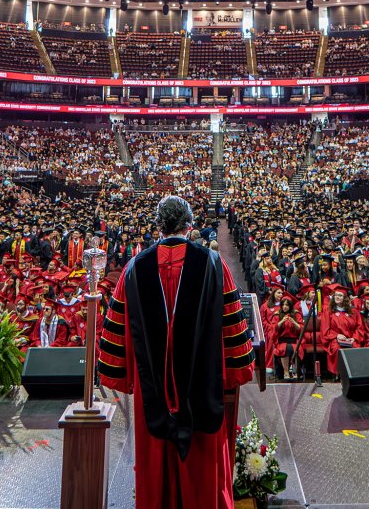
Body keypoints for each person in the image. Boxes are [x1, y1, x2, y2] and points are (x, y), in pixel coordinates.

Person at [98, 195, 254, 509]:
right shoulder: (212, 264)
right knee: (201, 465)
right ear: (190, 225)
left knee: (154, 463)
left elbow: (119, 334)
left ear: (158, 225)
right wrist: (235, 372)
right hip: (202, 386)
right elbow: (232, 329)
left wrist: (129, 377)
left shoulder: (134, 268)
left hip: (151, 393)